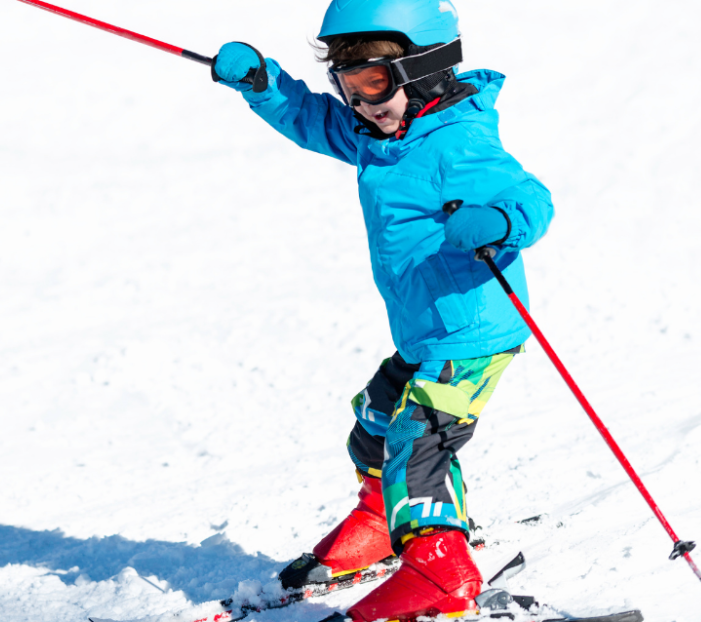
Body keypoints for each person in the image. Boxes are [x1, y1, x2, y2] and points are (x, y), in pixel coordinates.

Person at [210, 0, 554, 619]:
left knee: (417, 439)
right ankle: (377, 522)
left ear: (424, 72)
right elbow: (312, 120)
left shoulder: (458, 142)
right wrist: (263, 85)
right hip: (424, 331)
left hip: (469, 333)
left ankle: (441, 572)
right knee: (373, 423)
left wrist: (500, 220)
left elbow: (527, 195)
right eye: (347, 86)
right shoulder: (381, 135)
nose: (362, 103)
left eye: (374, 82)